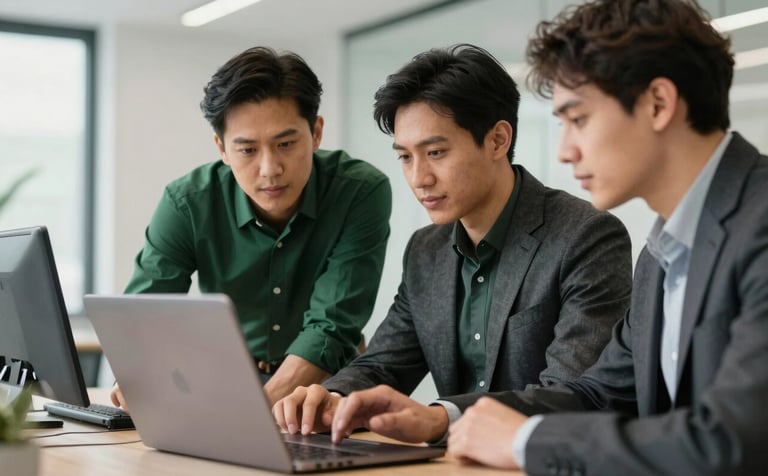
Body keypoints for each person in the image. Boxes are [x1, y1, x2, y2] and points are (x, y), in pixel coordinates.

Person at [327, 1, 768, 474]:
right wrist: (443, 418)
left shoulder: (754, 224)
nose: (564, 150)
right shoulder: (663, 251)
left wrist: (524, 442)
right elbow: (597, 393)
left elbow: (731, 441)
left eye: (578, 119)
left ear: (658, 104)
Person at [273, 44, 633, 437]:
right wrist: (330, 398)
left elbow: (573, 394)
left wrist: (444, 416)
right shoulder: (426, 250)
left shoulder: (585, 236)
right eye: (406, 157)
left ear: (497, 140)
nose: (418, 177)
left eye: (436, 152)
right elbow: (382, 366)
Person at [111, 46, 392, 408]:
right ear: (222, 148)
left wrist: (253, 415)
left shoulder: (359, 191)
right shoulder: (188, 202)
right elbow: (146, 314)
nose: (270, 168)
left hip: (326, 387)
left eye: (286, 144)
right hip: (226, 381)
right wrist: (136, 374)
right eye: (247, 150)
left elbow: (332, 324)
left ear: (316, 132)